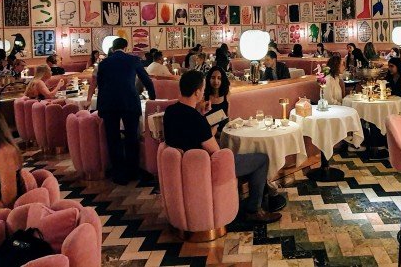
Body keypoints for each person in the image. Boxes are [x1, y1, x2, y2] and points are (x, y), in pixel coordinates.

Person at [162, 71, 283, 223]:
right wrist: (210, 130)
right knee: (261, 159)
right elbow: (216, 153)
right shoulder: (196, 121)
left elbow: (184, 133)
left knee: (243, 158)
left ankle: (241, 198)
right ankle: (254, 210)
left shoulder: (170, 112)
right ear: (198, 92)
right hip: (206, 170)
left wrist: (201, 115)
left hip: (183, 172)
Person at [95, 37, 155, 183]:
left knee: (113, 138)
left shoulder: (103, 63)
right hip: (129, 101)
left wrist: (100, 107)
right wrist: (153, 98)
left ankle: (118, 173)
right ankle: (133, 171)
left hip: (109, 103)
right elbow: (146, 80)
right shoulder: (133, 60)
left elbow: (100, 87)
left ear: (113, 48)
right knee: (131, 137)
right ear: (126, 47)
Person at [203, 66, 231, 132]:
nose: (216, 81)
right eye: (213, 78)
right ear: (209, 79)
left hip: (224, 132)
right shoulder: (204, 96)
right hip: (209, 134)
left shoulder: (226, 94)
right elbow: (201, 120)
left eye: (219, 78)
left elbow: (227, 116)